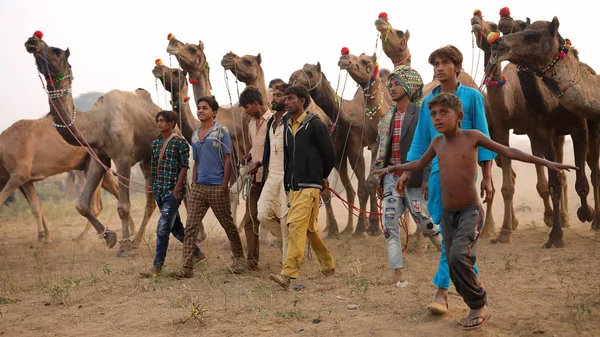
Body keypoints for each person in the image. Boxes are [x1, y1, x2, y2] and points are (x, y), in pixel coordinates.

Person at [385, 93, 576, 330]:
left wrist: (548, 163)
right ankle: (473, 300)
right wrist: (393, 168)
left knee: (457, 256)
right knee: (455, 264)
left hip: (470, 212)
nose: (436, 118)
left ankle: (479, 304)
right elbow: (419, 164)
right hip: (447, 214)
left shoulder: (473, 137)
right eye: (433, 114)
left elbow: (508, 152)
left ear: (459, 116)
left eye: (444, 112)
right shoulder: (437, 144)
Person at [399, 45, 495, 314]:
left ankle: (441, 292)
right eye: (435, 64)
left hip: (464, 175)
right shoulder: (430, 102)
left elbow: (484, 137)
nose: (439, 68)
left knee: (451, 238)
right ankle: (471, 278)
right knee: (448, 232)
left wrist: (487, 176)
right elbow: (420, 142)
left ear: (457, 67)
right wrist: (407, 173)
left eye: (444, 63)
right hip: (438, 174)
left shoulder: (472, 98)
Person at [372, 66, 442, 288]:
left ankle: (453, 258)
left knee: (425, 224)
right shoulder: (386, 119)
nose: (392, 88)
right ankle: (397, 272)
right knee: (389, 224)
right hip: (391, 177)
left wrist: (425, 179)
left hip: (414, 177)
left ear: (409, 86)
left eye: (396, 84)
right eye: (390, 85)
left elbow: (430, 147)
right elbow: (381, 151)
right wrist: (381, 179)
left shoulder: (423, 114)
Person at [268, 85, 336, 289]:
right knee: (309, 229)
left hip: (310, 185)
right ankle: (327, 264)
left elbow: (329, 155)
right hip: (294, 186)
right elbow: (289, 158)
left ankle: (288, 274)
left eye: (290, 99)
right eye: (286, 99)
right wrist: (288, 183)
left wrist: (320, 176)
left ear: (302, 101)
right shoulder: (288, 125)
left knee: (295, 226)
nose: (286, 102)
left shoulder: (314, 124)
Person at [171, 96, 245, 278]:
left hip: (217, 186)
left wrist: (224, 184)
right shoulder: (195, 135)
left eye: (205, 108)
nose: (201, 110)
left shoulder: (221, 132)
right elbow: (196, 161)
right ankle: (186, 267)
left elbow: (228, 159)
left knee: (228, 224)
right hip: (199, 187)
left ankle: (239, 258)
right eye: (199, 107)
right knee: (191, 227)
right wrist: (194, 181)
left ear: (214, 112)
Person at [140, 110, 202, 277]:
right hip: (159, 191)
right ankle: (198, 253)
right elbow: (154, 168)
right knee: (177, 229)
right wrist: (154, 188)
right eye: (158, 120)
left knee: (162, 228)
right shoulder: (155, 144)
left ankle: (157, 267)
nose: (159, 123)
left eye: (162, 121)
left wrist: (177, 189)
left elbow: (184, 166)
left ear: (171, 123)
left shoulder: (180, 143)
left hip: (172, 193)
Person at [247, 81, 292, 265]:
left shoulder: (293, 122)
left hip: (286, 176)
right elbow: (265, 149)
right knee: (260, 215)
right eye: (273, 94)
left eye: (279, 95)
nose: (274, 97)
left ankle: (287, 264)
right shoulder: (272, 122)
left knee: (283, 219)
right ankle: (291, 244)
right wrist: (255, 160)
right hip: (266, 176)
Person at [239, 86, 274, 271]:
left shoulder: (275, 122)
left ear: (255, 104)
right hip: (255, 179)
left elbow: (275, 151)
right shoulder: (251, 124)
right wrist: (249, 156)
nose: (245, 111)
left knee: (277, 218)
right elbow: (256, 147)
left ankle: (291, 258)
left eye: (246, 107)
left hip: (273, 179)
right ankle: (252, 261)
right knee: (250, 219)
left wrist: (260, 163)